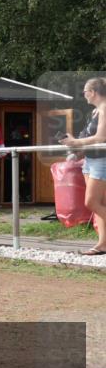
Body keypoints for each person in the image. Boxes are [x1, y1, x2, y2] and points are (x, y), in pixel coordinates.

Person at [62, 77, 106, 255]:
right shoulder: (95, 111)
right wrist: (75, 146)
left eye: (85, 92)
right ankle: (102, 244)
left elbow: (100, 138)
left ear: (93, 92)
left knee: (92, 202)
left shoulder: (104, 109)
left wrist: (76, 141)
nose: (84, 95)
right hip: (90, 160)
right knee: (99, 204)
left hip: (102, 161)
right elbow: (90, 136)